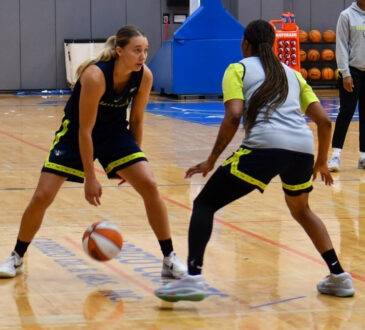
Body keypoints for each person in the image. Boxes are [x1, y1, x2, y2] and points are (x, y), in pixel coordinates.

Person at [154, 19, 355, 302]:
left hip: (265, 147)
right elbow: (323, 122)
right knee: (302, 211)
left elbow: (234, 115)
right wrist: (320, 163)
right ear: (273, 45)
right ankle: (339, 277)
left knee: (205, 203)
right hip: (302, 148)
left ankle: (194, 278)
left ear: (245, 44)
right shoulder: (293, 74)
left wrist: (211, 159)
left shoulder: (237, 69)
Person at [0, 25, 186, 279]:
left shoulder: (144, 76)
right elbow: (85, 131)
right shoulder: (95, 76)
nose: (142, 56)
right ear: (119, 51)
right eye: (136, 51)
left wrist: (133, 158)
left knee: (150, 184)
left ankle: (169, 257)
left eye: (145, 51)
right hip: (77, 133)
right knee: (43, 195)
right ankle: (17, 257)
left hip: (114, 134)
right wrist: (91, 177)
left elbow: (138, 120)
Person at [328, 0, 365, 172]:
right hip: (352, 70)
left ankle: (364, 155)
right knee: (346, 112)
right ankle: (335, 155)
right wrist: (345, 73)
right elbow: (341, 45)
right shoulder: (346, 16)